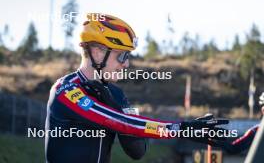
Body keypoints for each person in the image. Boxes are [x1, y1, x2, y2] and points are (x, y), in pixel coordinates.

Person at [45, 13, 228, 163]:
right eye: (122, 55)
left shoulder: (116, 93)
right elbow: (118, 121)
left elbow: (138, 150)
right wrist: (183, 128)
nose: (126, 64)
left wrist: (117, 106)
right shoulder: (65, 90)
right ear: (97, 52)